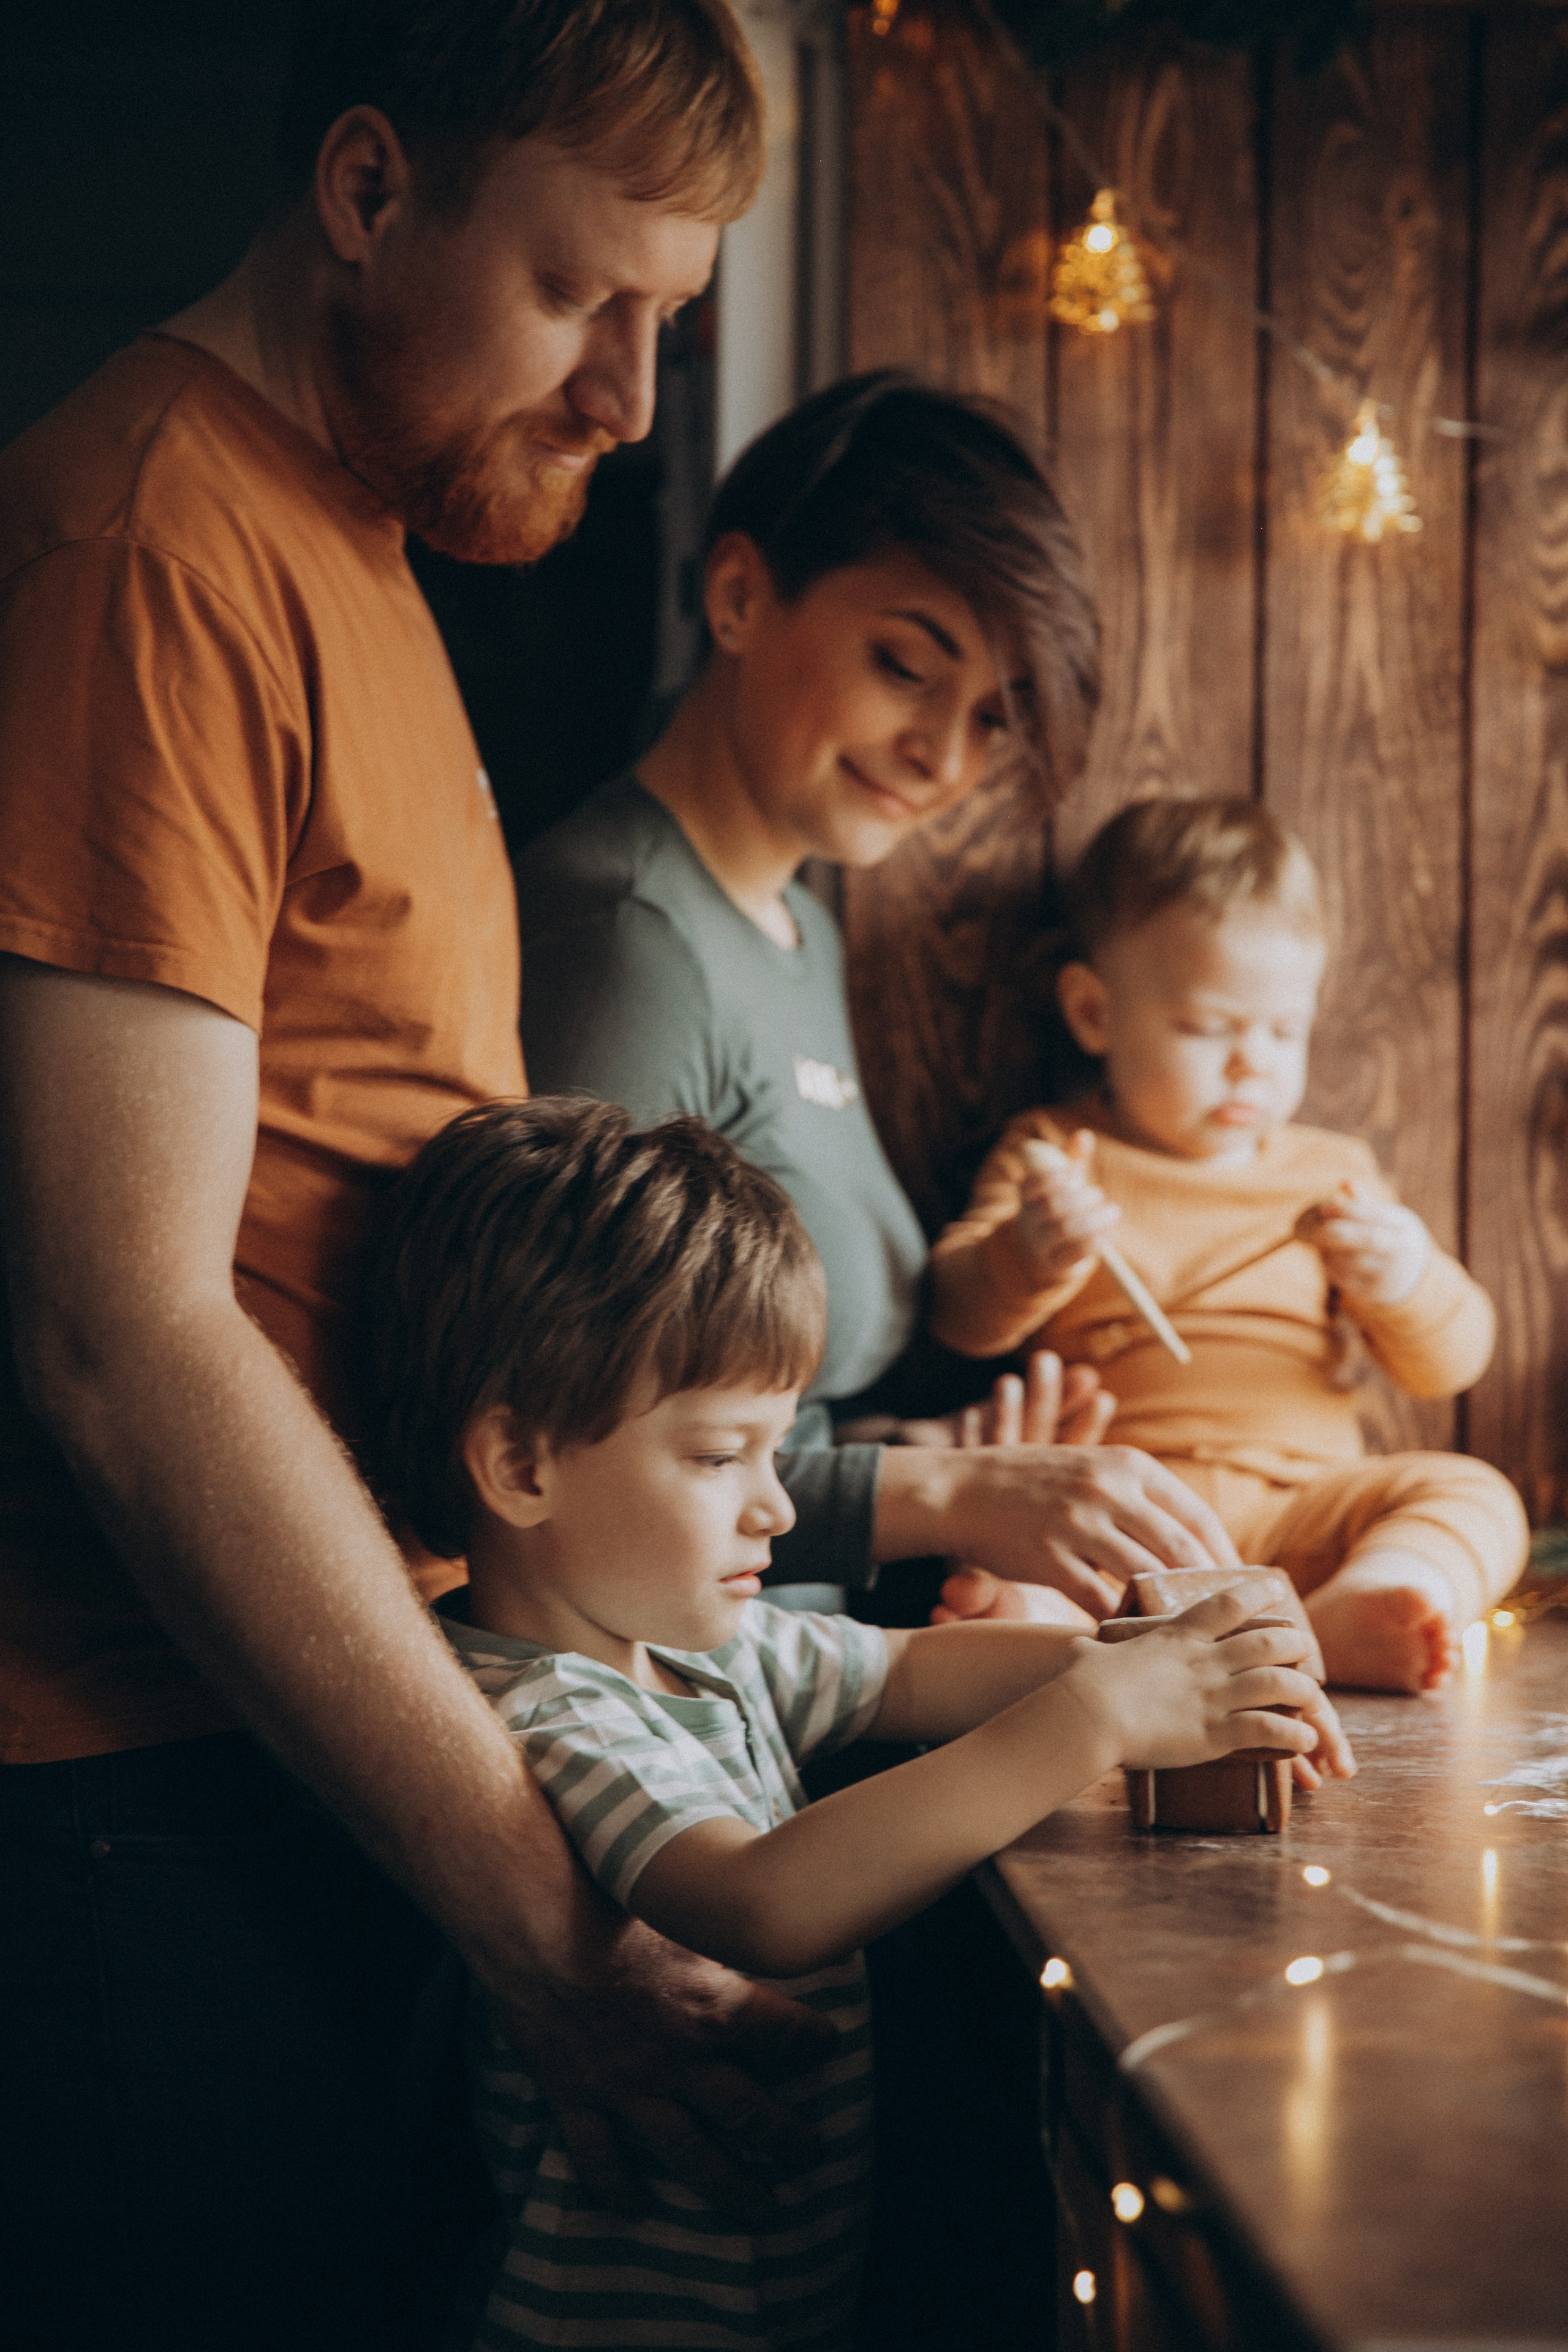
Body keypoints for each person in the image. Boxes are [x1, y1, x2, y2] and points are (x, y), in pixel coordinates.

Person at [0, 12, 1253, 2348]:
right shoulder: (154, 535)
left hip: (309, 1751)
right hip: (137, 1790)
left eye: (671, 315)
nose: (635, 401)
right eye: (590, 298)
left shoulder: (345, 548)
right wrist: (530, 1908)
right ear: (370, 190)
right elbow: (120, 1326)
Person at [365, 1095, 1344, 2350]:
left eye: (776, 1453)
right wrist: (1097, 1716)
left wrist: (1161, 1658)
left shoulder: (692, 1648)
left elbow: (911, 1671)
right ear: (519, 1467)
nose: (776, 1509)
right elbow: (763, 1902)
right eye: (721, 1455)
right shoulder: (537, 1706)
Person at [516, 371, 1231, 1622]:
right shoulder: (627, 934)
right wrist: (944, 1495)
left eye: (990, 720)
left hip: (801, 1660)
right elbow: (574, 1460)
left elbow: (776, 1407)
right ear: (739, 595)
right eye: (905, 667)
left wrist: (950, 1455)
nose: (943, 758)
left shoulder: (796, 929)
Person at [928, 796, 1529, 1693]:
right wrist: (1028, 1254)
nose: (1253, 1062)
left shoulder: (1333, 1171)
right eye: (1210, 1028)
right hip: (1121, 1508)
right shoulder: (1055, 1157)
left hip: (1308, 1513)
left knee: (1476, 1496)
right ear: (1094, 1014)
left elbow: (1451, 1362)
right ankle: (1057, 1630)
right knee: (1024, 1564)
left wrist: (1403, 1282)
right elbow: (957, 1316)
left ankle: (1361, 1602)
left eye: (1284, 1031)